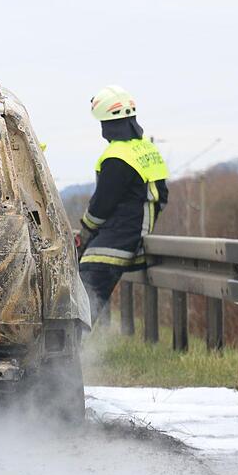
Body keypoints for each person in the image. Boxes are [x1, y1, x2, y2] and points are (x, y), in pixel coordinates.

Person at [77, 85, 169, 324]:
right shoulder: (147, 150)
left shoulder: (116, 156)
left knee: (84, 290)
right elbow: (163, 194)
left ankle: (72, 350)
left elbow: (101, 206)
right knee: (87, 289)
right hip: (138, 231)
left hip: (120, 235)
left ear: (106, 124)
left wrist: (86, 230)